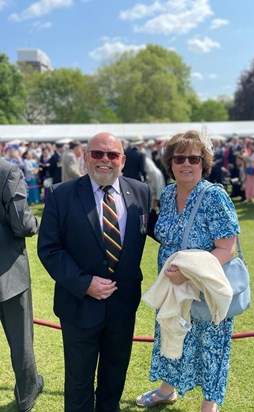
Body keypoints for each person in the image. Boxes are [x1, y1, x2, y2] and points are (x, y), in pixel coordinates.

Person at [37, 132, 152, 412]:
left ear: (122, 160)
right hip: (79, 305)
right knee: (78, 383)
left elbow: (160, 231)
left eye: (112, 155)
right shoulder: (60, 195)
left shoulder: (140, 192)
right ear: (85, 157)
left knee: (114, 379)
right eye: (97, 154)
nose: (105, 160)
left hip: (123, 306)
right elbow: (49, 249)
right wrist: (84, 283)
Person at [136, 130, 240, 412]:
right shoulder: (168, 194)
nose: (186, 164)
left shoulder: (214, 197)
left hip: (203, 288)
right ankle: (167, 390)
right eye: (179, 158)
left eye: (194, 158)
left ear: (203, 163)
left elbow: (227, 249)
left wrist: (188, 273)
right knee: (172, 335)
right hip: (172, 289)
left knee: (210, 347)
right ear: (170, 163)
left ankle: (209, 405)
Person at [0, 158, 43, 412]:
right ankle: (26, 396)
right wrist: (36, 224)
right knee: (21, 341)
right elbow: (23, 224)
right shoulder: (7, 170)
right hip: (8, 272)